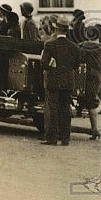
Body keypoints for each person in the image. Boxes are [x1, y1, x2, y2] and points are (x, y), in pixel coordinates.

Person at [41, 15, 81, 146]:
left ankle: (52, 138)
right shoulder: (74, 47)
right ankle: (65, 138)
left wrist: (52, 65)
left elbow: (44, 64)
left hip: (53, 81)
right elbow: (76, 65)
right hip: (68, 81)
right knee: (65, 109)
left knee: (53, 110)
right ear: (67, 30)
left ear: (56, 29)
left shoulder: (50, 45)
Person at [78, 24, 101, 139]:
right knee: (92, 100)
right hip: (98, 75)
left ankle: (95, 130)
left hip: (87, 75)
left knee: (90, 102)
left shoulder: (84, 46)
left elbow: (80, 58)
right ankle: (94, 129)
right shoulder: (100, 47)